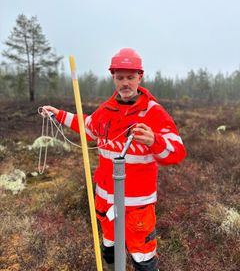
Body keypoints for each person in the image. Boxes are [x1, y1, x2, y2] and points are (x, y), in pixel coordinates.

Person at [42, 48, 186, 271]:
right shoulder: (106, 109)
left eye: (130, 77)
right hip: (106, 201)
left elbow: (177, 153)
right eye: (120, 78)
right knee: (109, 248)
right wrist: (58, 114)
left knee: (143, 259)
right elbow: (88, 127)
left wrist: (154, 141)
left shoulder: (153, 112)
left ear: (140, 77)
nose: (125, 83)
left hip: (137, 206)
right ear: (113, 78)